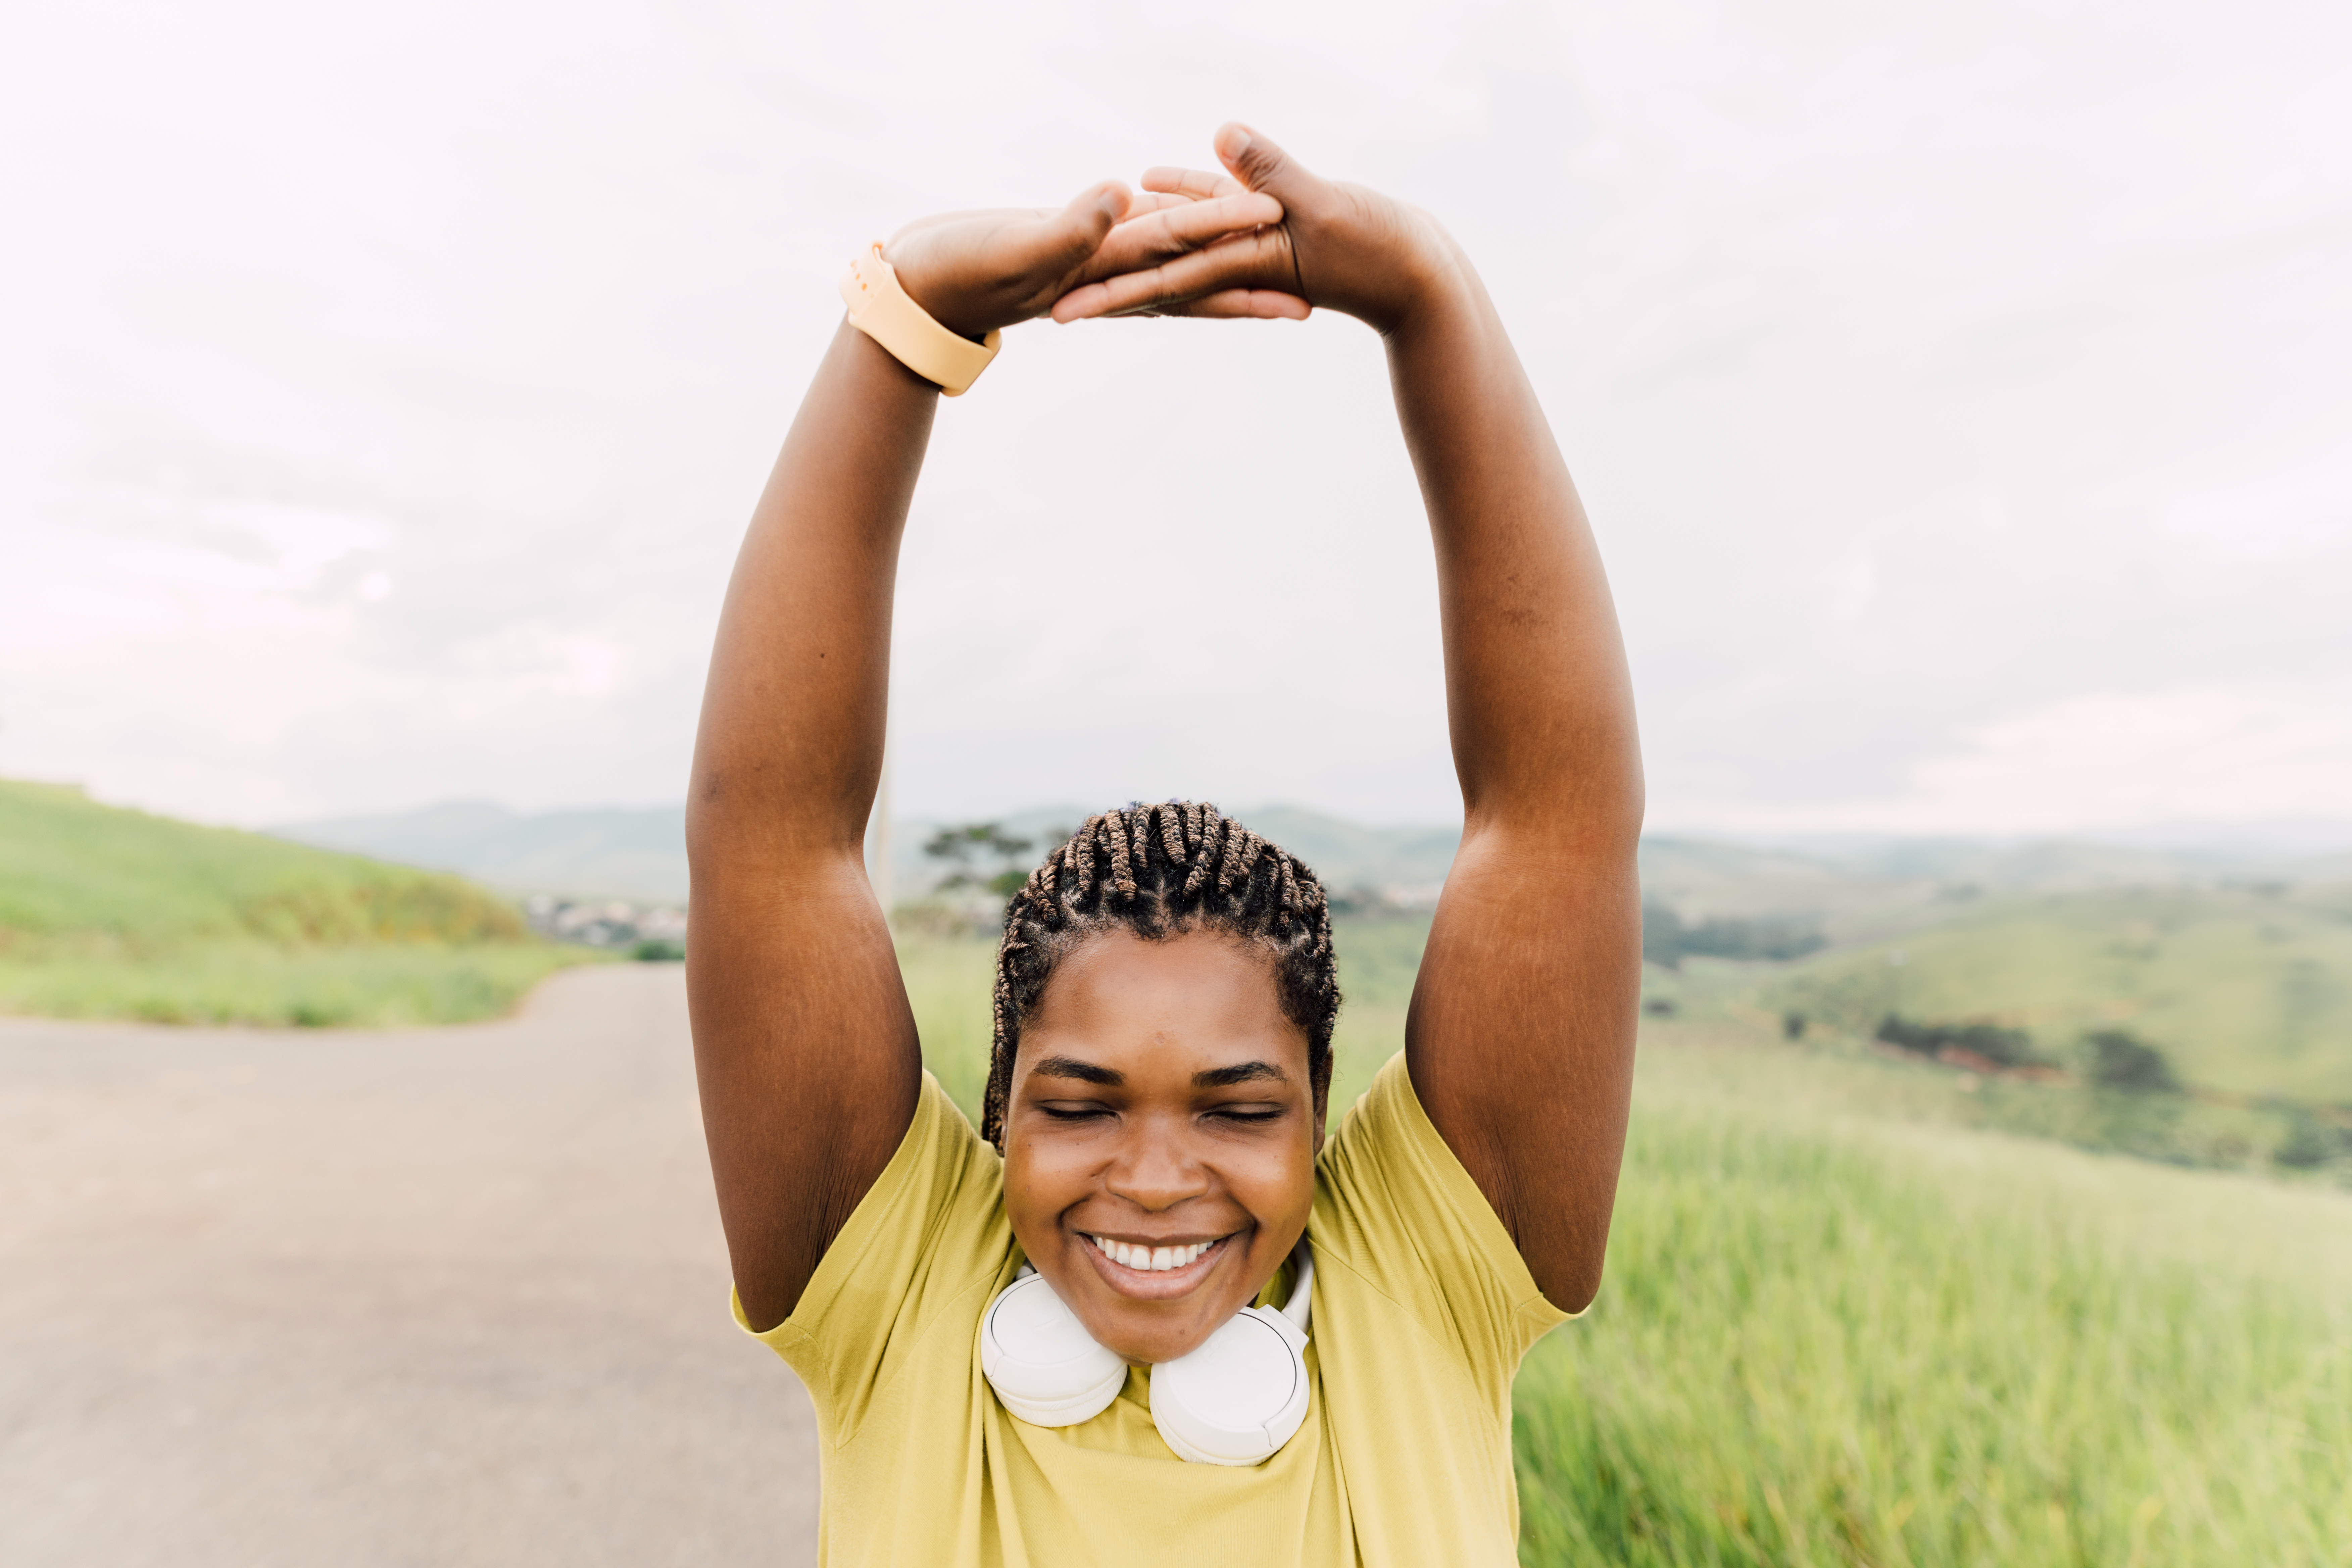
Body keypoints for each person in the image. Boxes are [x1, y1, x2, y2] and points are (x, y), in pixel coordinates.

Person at [686, 122, 1642, 1566]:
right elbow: (774, 843)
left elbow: (1556, 818)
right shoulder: (899, 1293)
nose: (1151, 1173)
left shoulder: (1423, 1284)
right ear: (997, 1111)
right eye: (1077, 1105)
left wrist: (1431, 297)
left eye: (1239, 1108)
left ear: (1322, 1122)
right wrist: (905, 320)